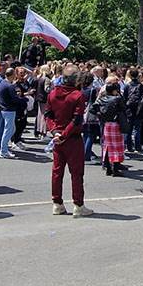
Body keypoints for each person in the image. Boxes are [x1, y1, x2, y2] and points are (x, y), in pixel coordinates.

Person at [46, 64, 91, 216]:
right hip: (71, 138)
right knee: (76, 173)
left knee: (57, 172)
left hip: (58, 137)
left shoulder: (52, 93)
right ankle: (78, 205)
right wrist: (63, 135)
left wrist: (55, 133)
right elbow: (77, 120)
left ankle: (57, 203)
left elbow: (48, 116)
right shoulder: (78, 95)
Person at [96, 81, 127, 176]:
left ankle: (108, 167)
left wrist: (101, 115)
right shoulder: (117, 99)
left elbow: (94, 108)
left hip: (107, 124)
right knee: (117, 147)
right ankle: (115, 169)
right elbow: (123, 108)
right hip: (116, 123)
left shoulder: (102, 99)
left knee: (108, 146)